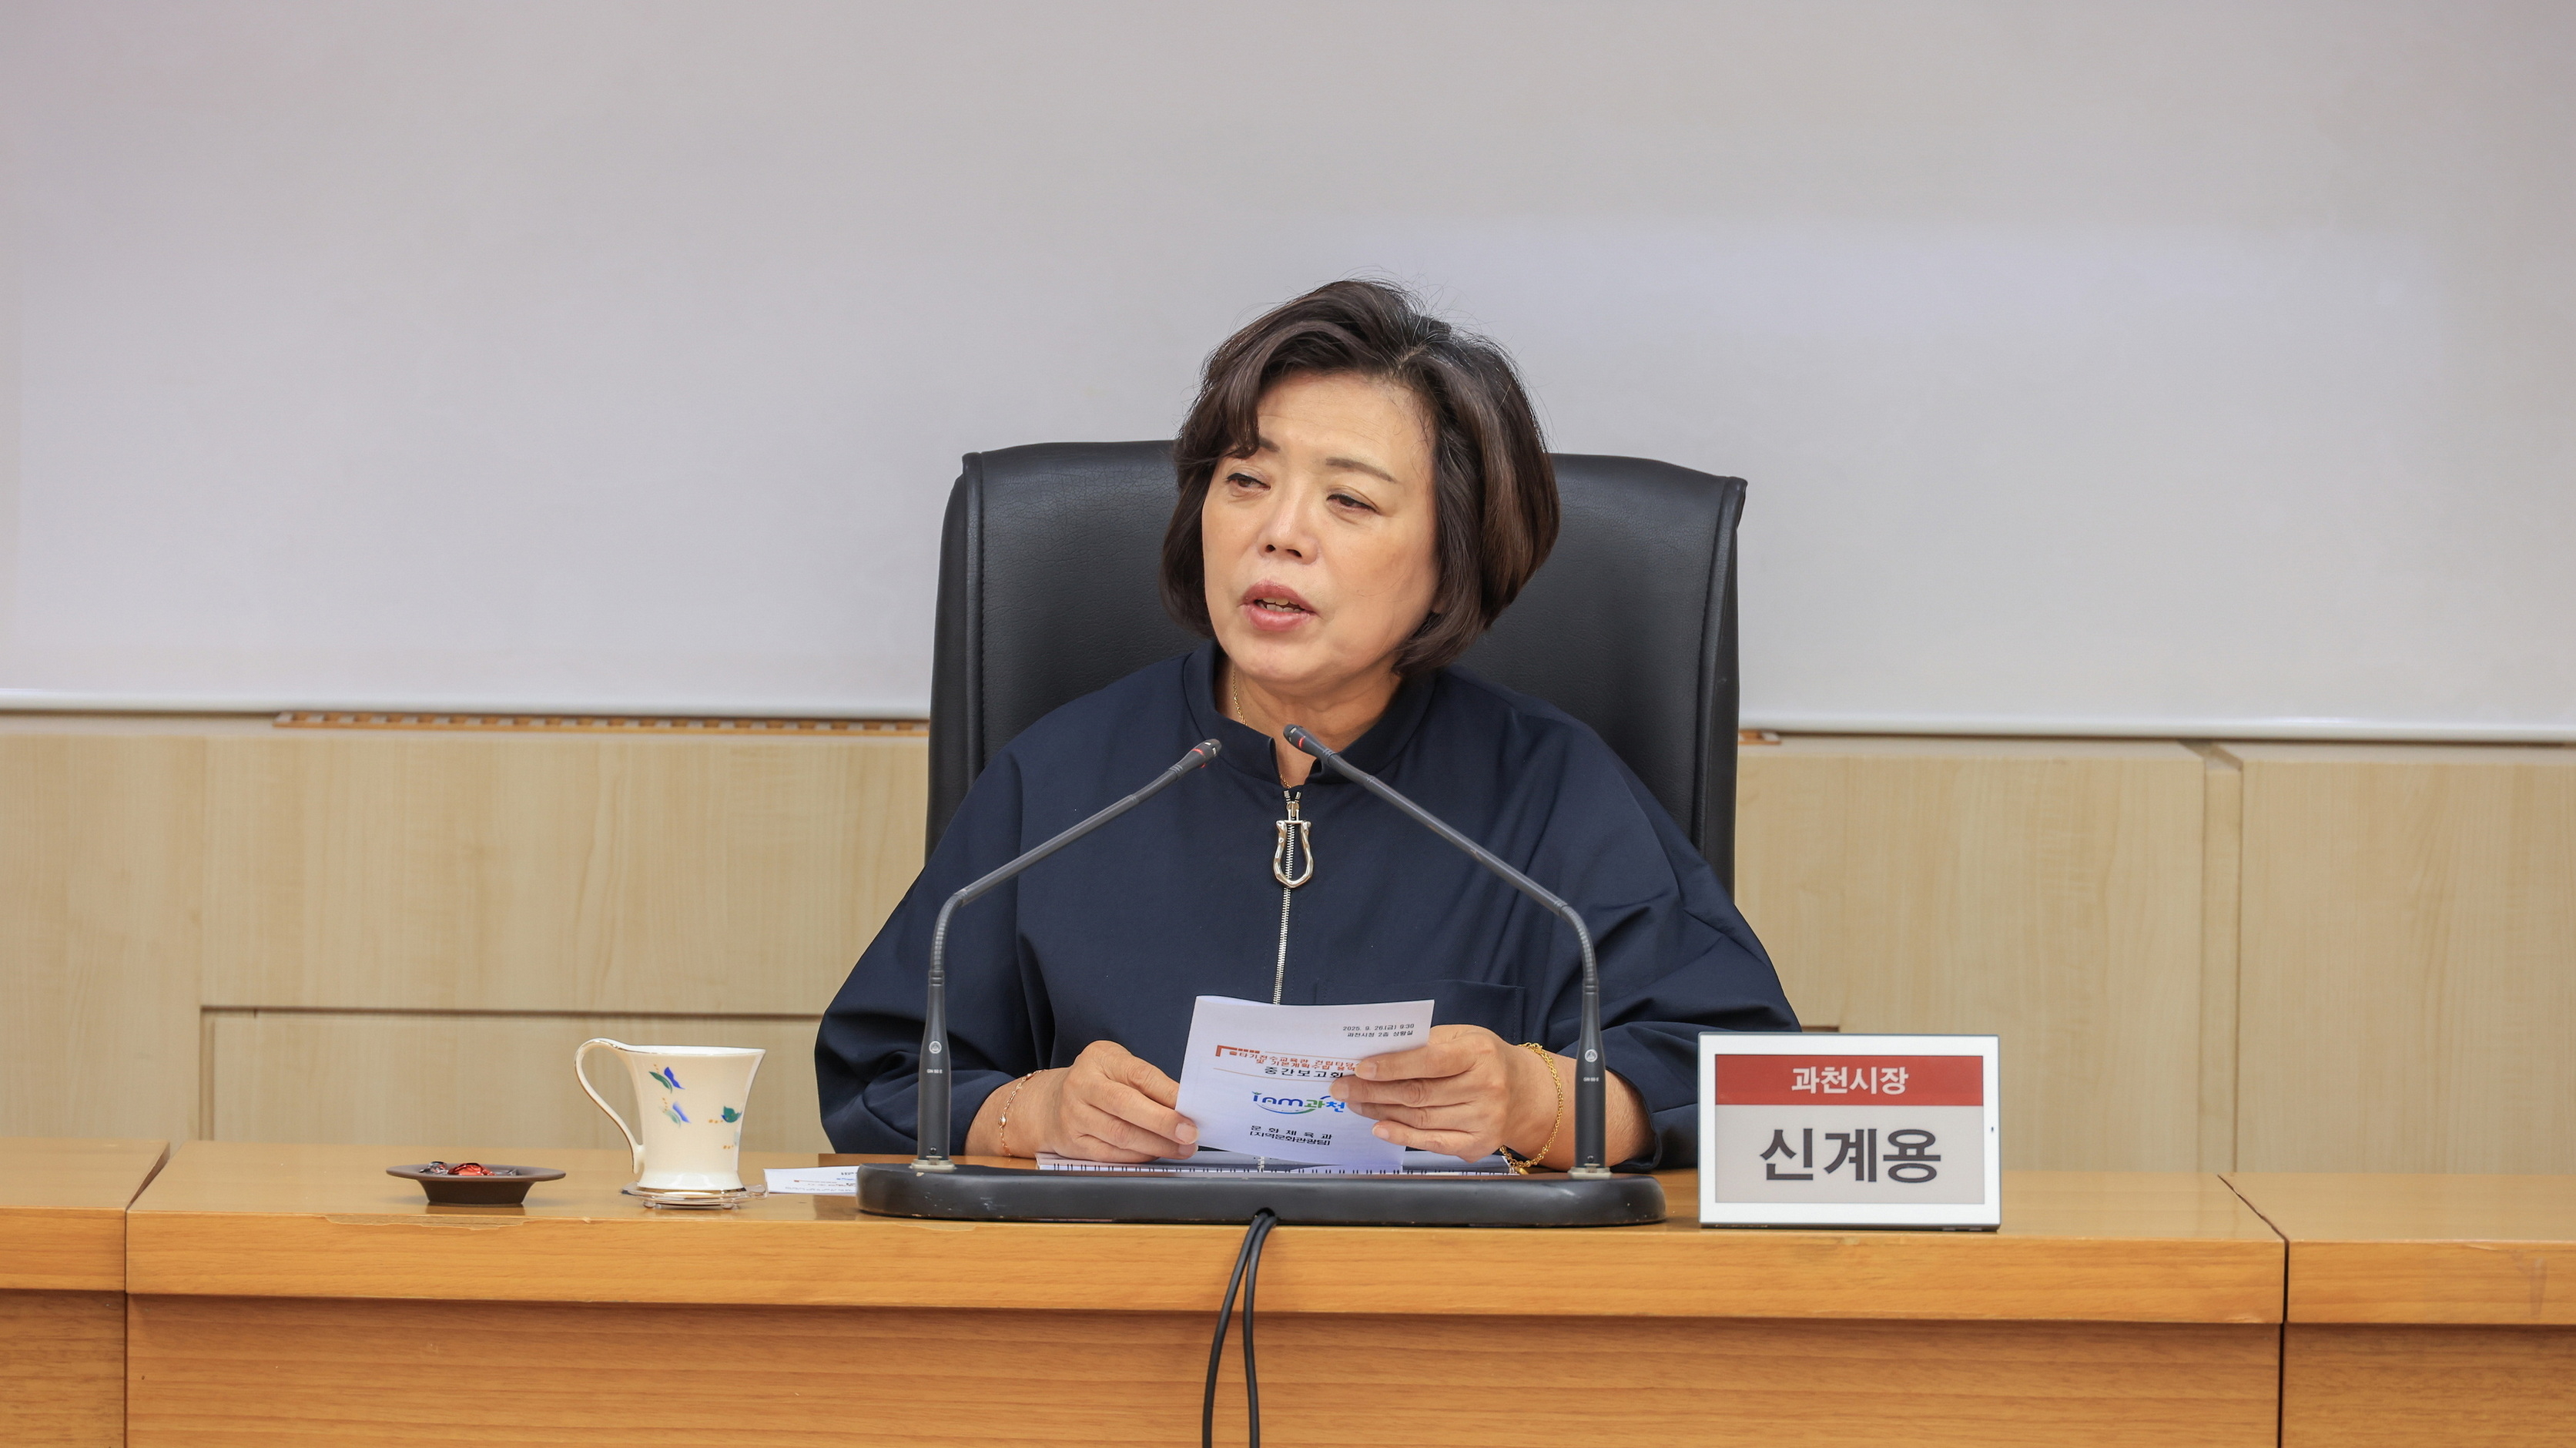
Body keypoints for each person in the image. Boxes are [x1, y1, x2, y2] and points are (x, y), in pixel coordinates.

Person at [817, 279, 1795, 1170]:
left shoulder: (1552, 792)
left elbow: (1741, 1079)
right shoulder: (1063, 778)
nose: (1279, 532)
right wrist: (1029, 1112)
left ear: (1454, 558)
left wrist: (1540, 1100)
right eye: (1246, 480)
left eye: (1350, 499)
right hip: (1118, 1289)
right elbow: (882, 1071)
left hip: (1447, 1297)